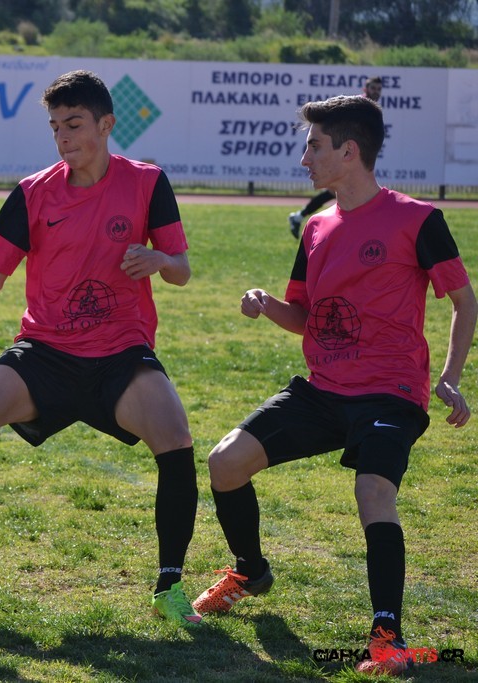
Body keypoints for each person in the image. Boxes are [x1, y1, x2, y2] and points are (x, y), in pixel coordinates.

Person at [0, 70, 202, 629]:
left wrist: (160, 260)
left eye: (74, 124)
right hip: (45, 351)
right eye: (55, 127)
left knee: (175, 436)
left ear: (106, 124)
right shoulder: (33, 192)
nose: (63, 137)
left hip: (120, 354)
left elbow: (183, 271)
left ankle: (169, 586)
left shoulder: (148, 183)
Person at [193, 94, 476, 676]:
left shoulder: (418, 219)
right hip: (323, 390)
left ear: (349, 152)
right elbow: (304, 316)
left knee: (373, 493)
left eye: (314, 146)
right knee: (225, 462)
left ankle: (387, 639)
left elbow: (464, 302)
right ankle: (251, 571)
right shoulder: (316, 225)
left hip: (390, 392)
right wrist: (266, 304)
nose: (304, 159)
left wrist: (449, 378)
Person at [287, 76, 383, 239]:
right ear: (365, 89)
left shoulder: (371, 112)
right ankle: (299, 215)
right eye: (373, 88)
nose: (376, 92)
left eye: (379, 89)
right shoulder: (357, 109)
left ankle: (299, 216)